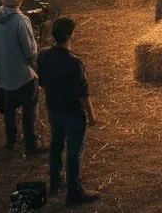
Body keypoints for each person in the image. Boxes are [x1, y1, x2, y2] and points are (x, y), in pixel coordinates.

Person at [37, 17, 100, 206]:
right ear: (70, 35)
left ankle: (55, 183)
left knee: (56, 146)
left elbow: (41, 82)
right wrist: (91, 114)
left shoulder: (43, 55)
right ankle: (74, 191)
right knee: (74, 152)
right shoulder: (74, 62)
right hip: (73, 112)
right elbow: (83, 92)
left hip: (54, 109)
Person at [0, 0, 44, 155]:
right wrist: (38, 69)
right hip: (22, 74)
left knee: (9, 111)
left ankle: (11, 140)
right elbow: (30, 50)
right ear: (20, 0)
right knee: (29, 110)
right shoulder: (21, 20)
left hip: (4, 73)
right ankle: (31, 143)